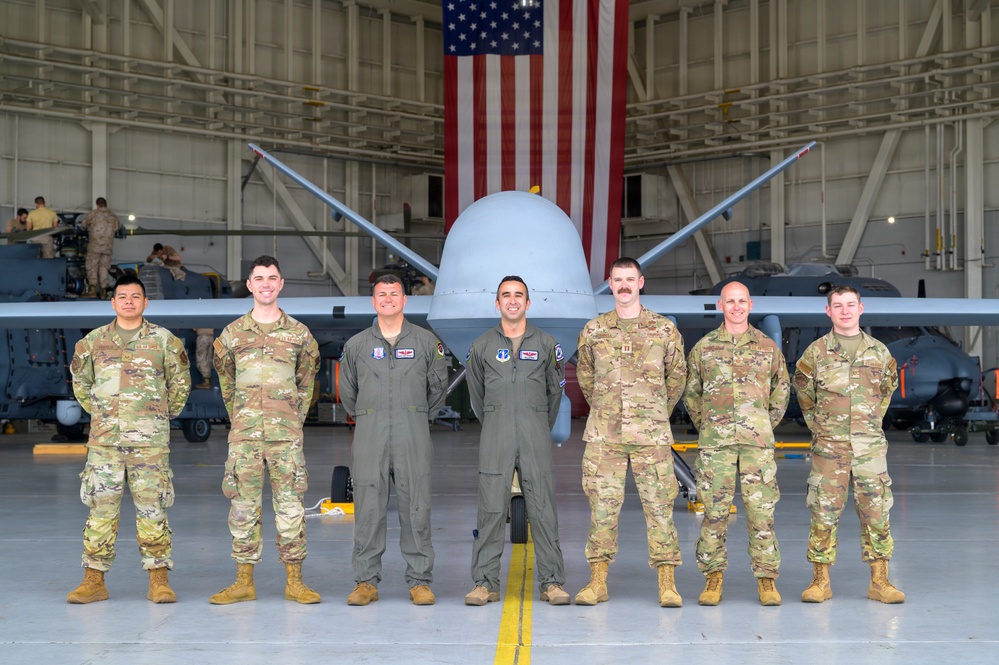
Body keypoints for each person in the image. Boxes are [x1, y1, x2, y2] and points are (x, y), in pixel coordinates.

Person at [67, 274, 191, 604]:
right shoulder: (93, 342)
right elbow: (81, 385)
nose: (129, 301)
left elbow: (180, 386)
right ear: (113, 302)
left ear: (145, 302)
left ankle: (158, 581)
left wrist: (157, 416)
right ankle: (94, 580)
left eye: (135, 296)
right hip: (105, 443)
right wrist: (105, 414)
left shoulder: (165, 341)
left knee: (153, 510)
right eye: (122, 296)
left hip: (149, 443)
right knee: (100, 510)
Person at [209, 255, 322, 605]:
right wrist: (243, 416)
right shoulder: (232, 335)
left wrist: (289, 418)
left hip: (285, 437)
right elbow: (226, 383)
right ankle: (243, 581)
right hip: (244, 437)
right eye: (259, 278)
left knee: (290, 508)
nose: (266, 284)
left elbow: (306, 384)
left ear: (281, 283)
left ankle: (295, 581)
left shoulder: (299, 334)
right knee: (243, 507)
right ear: (249, 285)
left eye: (272, 278)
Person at [575, 257, 686, 607]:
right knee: (602, 508)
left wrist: (653, 413)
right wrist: (610, 410)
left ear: (641, 282)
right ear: (610, 284)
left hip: (650, 438)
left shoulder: (663, 329)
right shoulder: (594, 330)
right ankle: (597, 582)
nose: (624, 285)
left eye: (630, 279)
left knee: (659, 508)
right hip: (604, 436)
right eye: (618, 279)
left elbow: (677, 376)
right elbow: (586, 378)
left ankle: (667, 583)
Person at [338, 274, 449, 606]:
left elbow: (438, 390)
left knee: (417, 506)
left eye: (394, 294)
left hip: (412, 431)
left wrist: (414, 414)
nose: (388, 298)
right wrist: (372, 414)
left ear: (405, 301)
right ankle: (365, 582)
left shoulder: (428, 342)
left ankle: (419, 580)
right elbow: (347, 393)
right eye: (381, 294)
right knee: (368, 508)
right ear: (374, 302)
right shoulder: (356, 345)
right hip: (370, 433)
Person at [793, 284, 904, 604]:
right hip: (830, 447)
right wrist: (822, 428)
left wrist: (867, 426)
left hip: (869, 446)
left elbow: (885, 393)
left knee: (877, 511)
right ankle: (820, 581)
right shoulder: (815, 353)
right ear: (828, 311)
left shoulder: (880, 352)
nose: (844, 310)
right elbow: (804, 394)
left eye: (850, 304)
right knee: (823, 512)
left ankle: (880, 581)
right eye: (837, 305)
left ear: (861, 308)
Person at [464, 276, 570, 607]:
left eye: (518, 295)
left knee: (542, 508)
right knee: (490, 509)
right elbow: (476, 396)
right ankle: (484, 582)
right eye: (506, 295)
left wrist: (535, 423)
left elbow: (555, 393)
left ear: (528, 303)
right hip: (495, 435)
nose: (512, 300)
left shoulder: (547, 344)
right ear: (497, 303)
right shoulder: (480, 346)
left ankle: (552, 582)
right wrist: (498, 421)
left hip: (534, 434)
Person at [683, 281, 790, 606]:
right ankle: (713, 579)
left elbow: (781, 390)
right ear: (721, 304)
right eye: (730, 301)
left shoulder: (767, 347)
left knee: (761, 513)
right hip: (716, 446)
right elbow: (692, 394)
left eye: (741, 301)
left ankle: (767, 580)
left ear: (750, 305)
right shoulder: (704, 348)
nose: (736, 306)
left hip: (756, 446)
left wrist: (761, 425)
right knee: (714, 513)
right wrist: (711, 426)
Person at [79, 197, 121, 298]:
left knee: (92, 266)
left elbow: (82, 226)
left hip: (94, 247)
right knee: (104, 268)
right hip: (107, 248)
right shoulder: (113, 216)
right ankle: (103, 291)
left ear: (97, 205)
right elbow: (117, 228)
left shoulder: (92, 214)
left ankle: (92, 291)